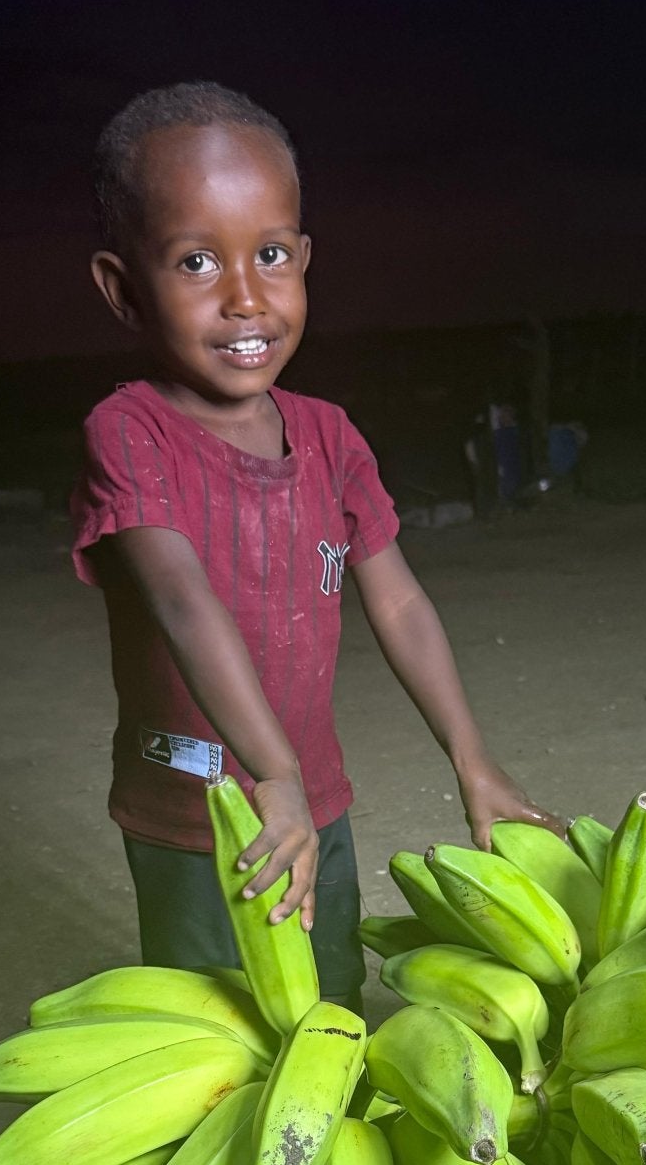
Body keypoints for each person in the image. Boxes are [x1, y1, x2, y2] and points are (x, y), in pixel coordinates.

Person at [73, 82, 562, 1011]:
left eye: (267, 255)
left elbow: (401, 602)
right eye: (195, 263)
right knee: (211, 1030)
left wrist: (470, 756)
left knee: (331, 1006)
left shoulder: (331, 435)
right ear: (122, 287)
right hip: (196, 813)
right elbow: (183, 600)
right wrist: (272, 774)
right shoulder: (129, 432)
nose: (246, 298)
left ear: (303, 259)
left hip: (315, 801)